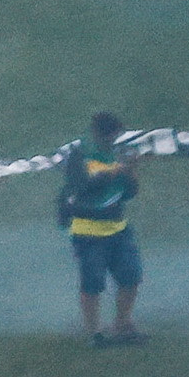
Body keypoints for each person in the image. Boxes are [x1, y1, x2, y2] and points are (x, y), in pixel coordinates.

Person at [54, 112, 146, 343]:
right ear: (97, 133)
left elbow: (128, 193)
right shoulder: (79, 155)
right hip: (87, 231)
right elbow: (80, 187)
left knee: (131, 276)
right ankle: (94, 331)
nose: (111, 141)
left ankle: (122, 324)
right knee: (93, 282)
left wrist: (131, 172)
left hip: (118, 227)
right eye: (108, 136)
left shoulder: (118, 154)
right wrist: (113, 172)